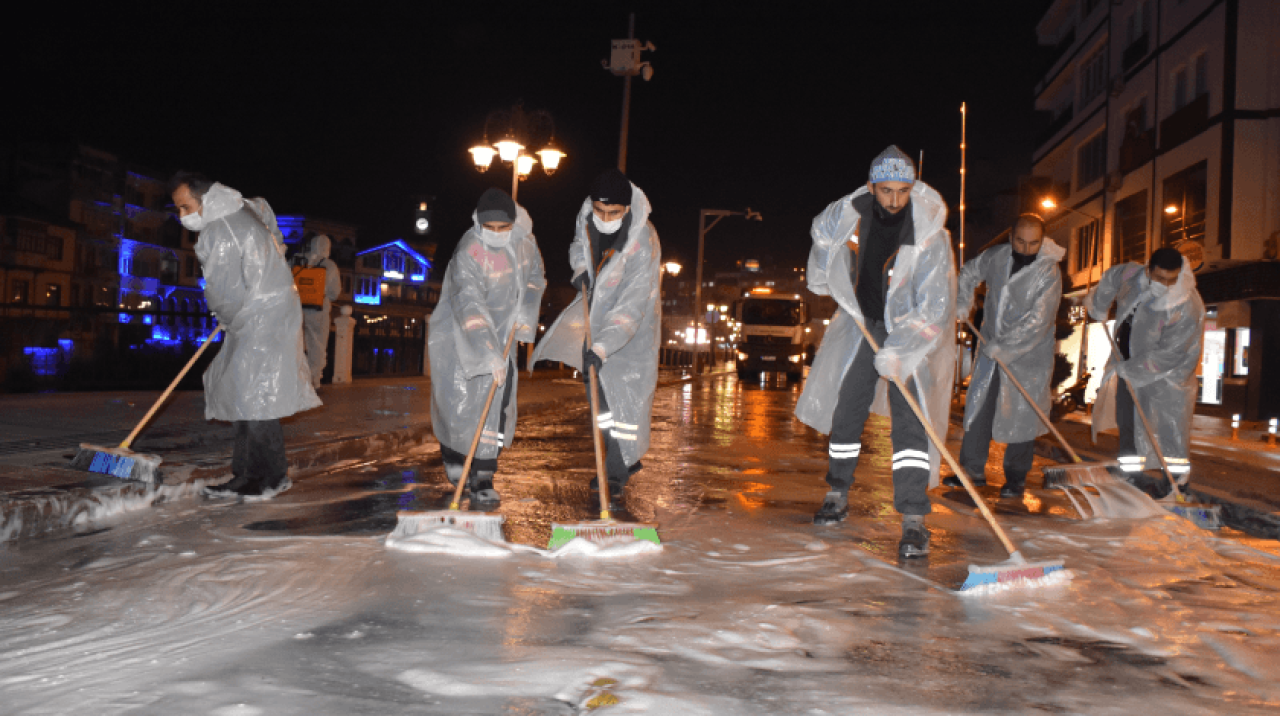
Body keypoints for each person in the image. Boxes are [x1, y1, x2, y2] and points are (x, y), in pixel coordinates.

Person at [795, 145, 956, 559]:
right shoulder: (852, 219)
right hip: (863, 327)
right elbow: (823, 242)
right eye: (886, 191)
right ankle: (836, 492)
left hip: (910, 334)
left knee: (910, 425)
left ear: (913, 187)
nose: (895, 200)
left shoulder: (930, 234)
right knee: (847, 410)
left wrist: (901, 349)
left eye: (904, 191)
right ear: (872, 186)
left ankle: (915, 519)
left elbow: (934, 306)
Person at [169, 172, 321, 499]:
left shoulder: (216, 233)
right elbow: (265, 209)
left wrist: (226, 317)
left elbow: (223, 291)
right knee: (246, 396)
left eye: (185, 207)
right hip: (271, 311)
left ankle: (270, 476)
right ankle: (247, 474)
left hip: (256, 316)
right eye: (178, 209)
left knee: (255, 399)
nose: (182, 216)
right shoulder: (243, 208)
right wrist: (276, 246)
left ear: (206, 199)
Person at [533, 169, 661, 512]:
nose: (605, 219)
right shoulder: (586, 217)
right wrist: (580, 270)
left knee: (626, 404)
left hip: (631, 333)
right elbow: (579, 245)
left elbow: (633, 304)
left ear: (626, 209)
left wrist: (603, 347)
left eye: (613, 213)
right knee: (601, 406)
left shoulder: (642, 239)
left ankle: (617, 474)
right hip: (596, 319)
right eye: (600, 211)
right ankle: (616, 463)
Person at [428, 188, 546, 507]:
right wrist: (485, 349)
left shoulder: (524, 244)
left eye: (502, 228)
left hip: (504, 335)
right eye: (489, 228)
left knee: (495, 405)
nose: (495, 234)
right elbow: (469, 301)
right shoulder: (469, 250)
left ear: (512, 224)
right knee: (459, 404)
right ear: (478, 223)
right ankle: (454, 456)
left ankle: (483, 476)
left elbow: (535, 278)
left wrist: (526, 311)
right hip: (462, 335)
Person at [947, 214, 1064, 499]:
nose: (1025, 249)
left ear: (1042, 241)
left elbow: (1040, 320)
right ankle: (972, 471)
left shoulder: (1048, 273)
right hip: (989, 349)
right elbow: (969, 272)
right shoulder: (997, 257)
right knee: (979, 408)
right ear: (1011, 238)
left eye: (1033, 243)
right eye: (1020, 242)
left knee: (1022, 414)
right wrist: (964, 300)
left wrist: (1007, 347)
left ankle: (1015, 478)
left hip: (1028, 357)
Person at [1087, 247, 1204, 494]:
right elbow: (1111, 277)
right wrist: (1099, 304)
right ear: (1148, 270)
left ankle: (1176, 483)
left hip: (1168, 379)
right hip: (1127, 365)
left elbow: (1170, 354)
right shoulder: (1132, 275)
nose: (1165, 285)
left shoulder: (1186, 304)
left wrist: (1131, 369)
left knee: (1169, 429)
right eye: (1159, 278)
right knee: (1128, 423)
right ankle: (1130, 477)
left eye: (1171, 280)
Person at [295, 234, 342, 389]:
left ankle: (295, 376)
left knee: (296, 344)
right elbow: (335, 293)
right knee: (318, 345)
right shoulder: (329, 265)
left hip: (297, 309)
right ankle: (314, 380)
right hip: (318, 311)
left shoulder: (297, 260)